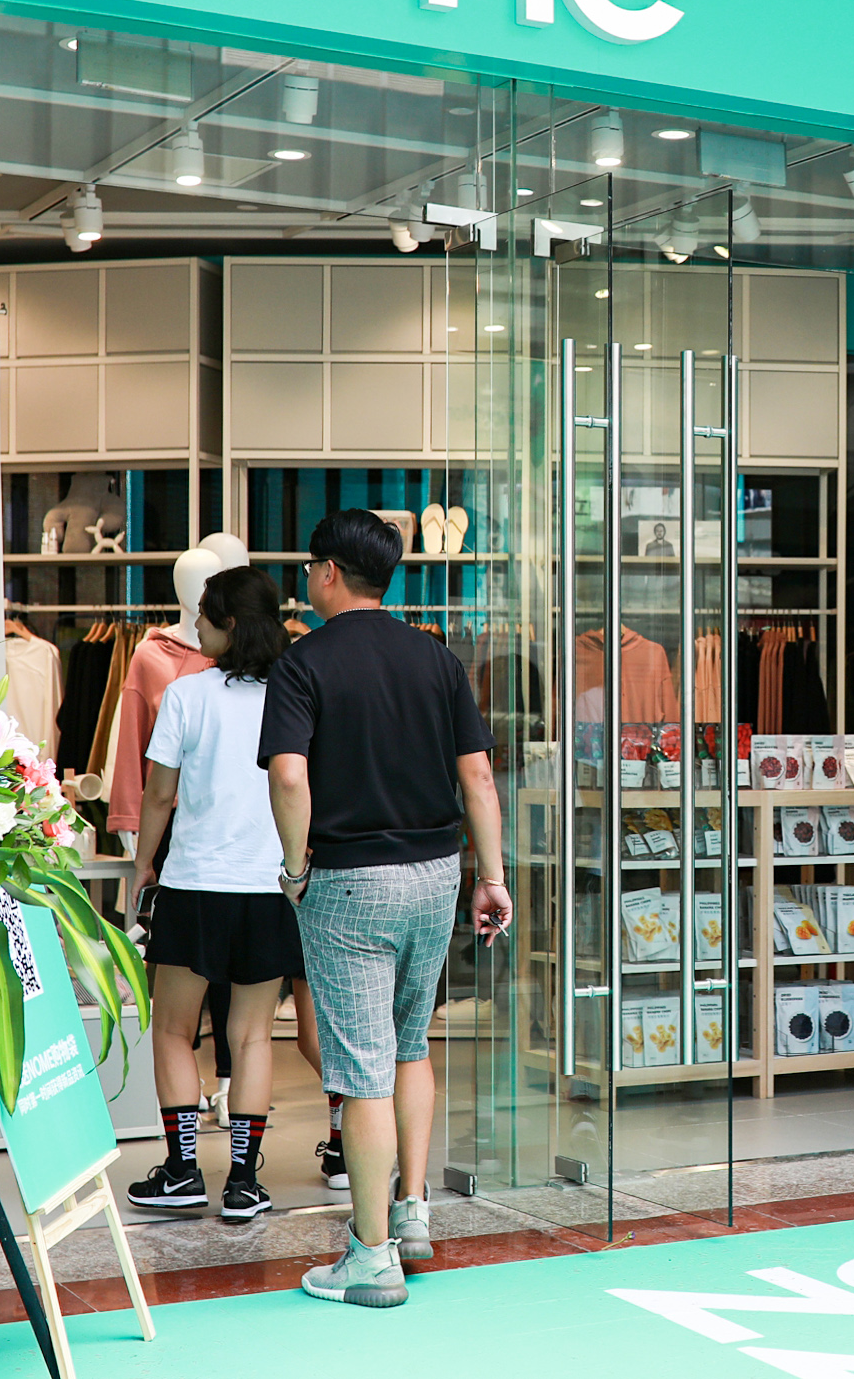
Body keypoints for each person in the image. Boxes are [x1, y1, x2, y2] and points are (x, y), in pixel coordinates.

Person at [262, 509, 510, 1309]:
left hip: (348, 882)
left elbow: (289, 776)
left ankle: (370, 1258)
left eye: (311, 567)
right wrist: (491, 877)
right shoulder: (435, 657)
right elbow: (478, 777)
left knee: (362, 1070)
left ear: (330, 572)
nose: (308, 578)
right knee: (409, 1046)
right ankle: (411, 1210)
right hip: (436, 874)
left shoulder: (303, 662)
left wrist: (294, 868)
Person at [124, 566, 303, 1221]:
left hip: (195, 883)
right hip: (270, 886)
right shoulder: (294, 694)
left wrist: (142, 865)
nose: (193, 623)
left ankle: (182, 1171)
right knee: (251, 1036)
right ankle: (244, 1181)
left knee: (174, 1030)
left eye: (202, 613)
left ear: (229, 622)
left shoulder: (187, 694)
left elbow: (159, 794)